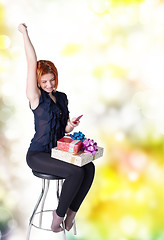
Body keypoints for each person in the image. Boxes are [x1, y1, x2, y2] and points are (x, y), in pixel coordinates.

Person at [18, 23, 95, 233]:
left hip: (57, 152)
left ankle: (71, 213)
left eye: (52, 80)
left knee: (89, 168)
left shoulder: (61, 98)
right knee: (75, 173)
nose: (50, 85)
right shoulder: (35, 97)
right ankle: (57, 215)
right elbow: (31, 62)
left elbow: (64, 131)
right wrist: (25, 34)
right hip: (38, 154)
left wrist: (70, 125)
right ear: (37, 82)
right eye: (44, 81)